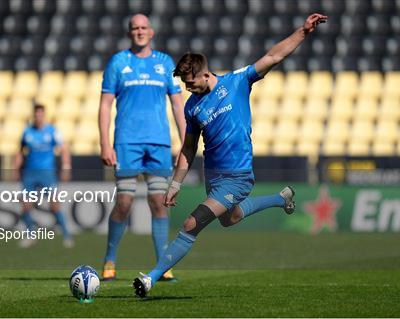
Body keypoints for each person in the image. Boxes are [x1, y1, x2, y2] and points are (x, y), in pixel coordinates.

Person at [132, 13, 328, 297]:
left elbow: (273, 57)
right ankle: (280, 198)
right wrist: (175, 184)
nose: (189, 88)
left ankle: (149, 279)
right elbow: (188, 148)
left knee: (191, 224)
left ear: (205, 73)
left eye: (191, 83)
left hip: (238, 178)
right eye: (185, 85)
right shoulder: (192, 107)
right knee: (231, 218)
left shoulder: (236, 82)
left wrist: (303, 32)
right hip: (215, 178)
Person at [98, 14, 186, 281]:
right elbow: (104, 105)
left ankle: (162, 264)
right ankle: (110, 258)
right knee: (124, 202)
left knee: (160, 202)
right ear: (129, 33)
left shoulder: (164, 63)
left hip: (159, 141)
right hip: (127, 141)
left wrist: (187, 142)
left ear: (152, 31)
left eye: (143, 27)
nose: (139, 31)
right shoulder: (118, 62)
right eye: (134, 28)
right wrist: (105, 142)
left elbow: (178, 104)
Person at [13, 103, 73, 248]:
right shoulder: (27, 132)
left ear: (44, 115)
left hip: (47, 173)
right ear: (33, 115)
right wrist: (15, 168)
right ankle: (30, 234)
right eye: (36, 114)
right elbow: (20, 151)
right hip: (30, 173)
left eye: (41, 114)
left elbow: (64, 149)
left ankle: (66, 235)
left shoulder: (52, 131)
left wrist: (66, 167)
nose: (38, 117)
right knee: (26, 205)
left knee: (54, 205)